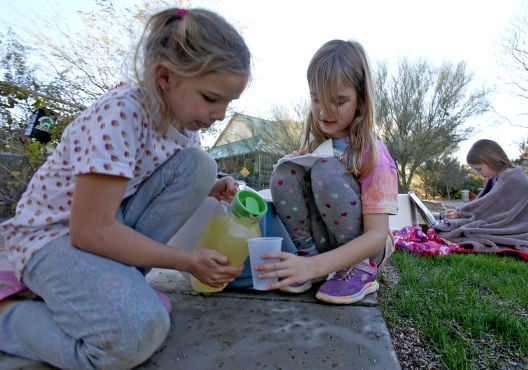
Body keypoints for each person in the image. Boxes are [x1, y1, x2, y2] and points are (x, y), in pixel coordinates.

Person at [0, 8, 250, 369]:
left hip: (101, 231)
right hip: (52, 238)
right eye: (212, 98)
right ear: (164, 76)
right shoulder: (119, 115)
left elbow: (145, 182)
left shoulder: (183, 125)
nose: (221, 114)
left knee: (200, 165)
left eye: (229, 102)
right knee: (133, 337)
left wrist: (210, 187)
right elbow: (90, 231)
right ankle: (11, 317)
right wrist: (186, 261)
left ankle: (117, 285)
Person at [261, 40, 398, 305]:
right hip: (324, 241)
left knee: (326, 171)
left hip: (366, 248)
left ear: (360, 99)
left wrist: (317, 268)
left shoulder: (374, 154)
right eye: (316, 99)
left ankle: (359, 269)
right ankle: (309, 256)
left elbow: (377, 235)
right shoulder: (316, 143)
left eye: (339, 101)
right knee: (284, 171)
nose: (324, 111)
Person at [436, 139, 528, 261]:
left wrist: (461, 213)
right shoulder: (498, 177)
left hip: (524, 228)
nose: (478, 174)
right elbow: (488, 205)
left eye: (479, 169)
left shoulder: (512, 178)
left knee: (460, 232)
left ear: (491, 160)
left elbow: (489, 207)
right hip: (511, 224)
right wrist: (461, 213)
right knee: (458, 229)